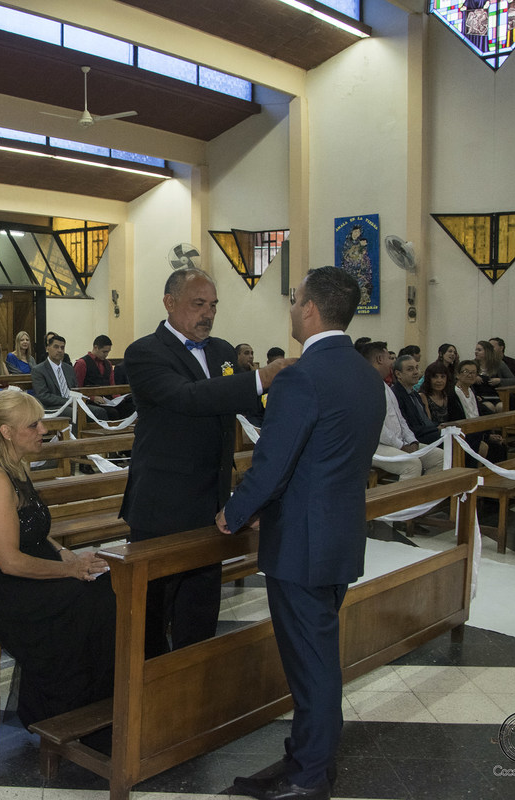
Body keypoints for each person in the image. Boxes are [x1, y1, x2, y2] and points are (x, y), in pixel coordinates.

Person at [216, 266, 385, 800]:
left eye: (294, 299)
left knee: (312, 666)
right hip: (340, 535)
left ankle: (310, 776)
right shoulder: (366, 374)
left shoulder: (301, 376)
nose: (291, 308)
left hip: (302, 545)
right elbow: (327, 459)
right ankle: (305, 758)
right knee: (317, 658)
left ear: (310, 309)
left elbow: (274, 461)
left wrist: (235, 512)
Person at [119, 268, 291, 656]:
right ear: (169, 302)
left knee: (200, 608)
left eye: (213, 305)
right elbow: (189, 397)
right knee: (151, 612)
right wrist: (261, 377)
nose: (208, 314)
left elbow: (239, 403)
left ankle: (193, 681)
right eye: (199, 304)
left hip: (211, 501)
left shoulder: (222, 351)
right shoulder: (145, 352)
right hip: (162, 504)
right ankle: (148, 684)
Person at [0, 389, 115, 727]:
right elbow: (9, 561)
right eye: (33, 425)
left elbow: (30, 527)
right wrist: (70, 570)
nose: (44, 429)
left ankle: (99, 700)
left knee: (108, 585)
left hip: (19, 567)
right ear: (6, 432)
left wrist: (63, 553)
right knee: (88, 600)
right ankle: (61, 711)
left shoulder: (15, 466)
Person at [362, 341, 443, 481]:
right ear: (380, 359)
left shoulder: (385, 385)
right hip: (375, 446)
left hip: (397, 442)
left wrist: (412, 441)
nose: (392, 363)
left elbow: (400, 419)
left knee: (439, 457)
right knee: (412, 465)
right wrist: (401, 446)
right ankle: (403, 497)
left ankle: (421, 494)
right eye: (389, 358)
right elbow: (377, 428)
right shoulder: (366, 386)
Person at [30, 335, 110, 419]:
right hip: (53, 407)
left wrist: (83, 398)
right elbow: (43, 395)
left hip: (73, 404)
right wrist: (68, 401)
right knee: (76, 414)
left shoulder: (69, 368)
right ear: (47, 348)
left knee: (100, 411)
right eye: (56, 347)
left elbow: (76, 389)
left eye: (62, 347)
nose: (60, 350)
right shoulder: (39, 370)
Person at [454, 359, 507, 463]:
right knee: (483, 447)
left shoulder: (472, 391)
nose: (470, 375)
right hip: (464, 434)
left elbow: (480, 414)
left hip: (477, 432)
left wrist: (488, 435)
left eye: (473, 372)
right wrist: (484, 437)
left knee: (500, 446)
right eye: (466, 372)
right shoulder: (454, 394)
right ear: (458, 375)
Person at [391, 354, 440, 445]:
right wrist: (436, 429)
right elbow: (408, 428)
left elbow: (425, 421)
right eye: (410, 369)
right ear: (398, 374)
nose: (416, 372)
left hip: (428, 433)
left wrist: (439, 427)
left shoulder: (415, 394)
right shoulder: (395, 395)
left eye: (416, 368)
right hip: (413, 439)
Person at [473, 340, 515, 412]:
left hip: (496, 396)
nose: (476, 352)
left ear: (487, 352)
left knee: (501, 407)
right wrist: (474, 377)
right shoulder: (472, 364)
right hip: (480, 396)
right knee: (489, 407)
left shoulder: (499, 364)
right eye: (476, 350)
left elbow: (513, 380)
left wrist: (500, 380)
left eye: (479, 350)